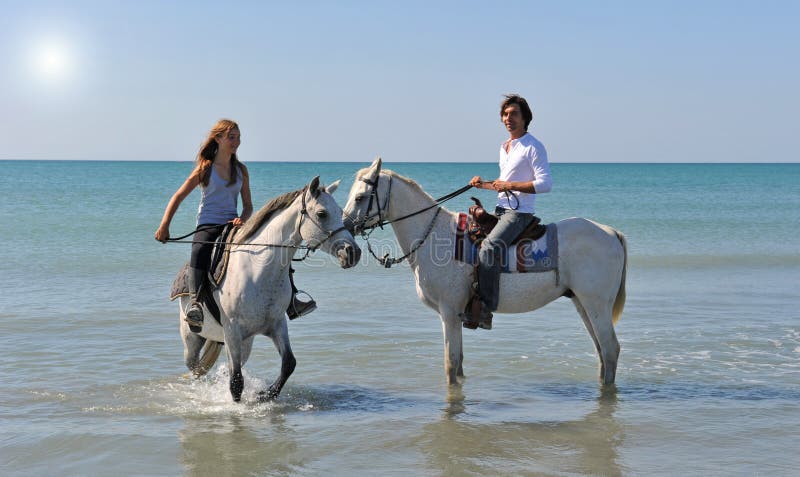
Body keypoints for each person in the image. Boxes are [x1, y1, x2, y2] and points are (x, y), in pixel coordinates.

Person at [155, 119, 315, 331]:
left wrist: (243, 218)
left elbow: (248, 205)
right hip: (208, 223)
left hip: (233, 224)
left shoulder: (241, 170)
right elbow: (178, 196)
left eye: (238, 137)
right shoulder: (206, 168)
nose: (236, 142)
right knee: (200, 249)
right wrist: (164, 225)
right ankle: (195, 303)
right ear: (218, 139)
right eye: (231, 137)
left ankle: (292, 300)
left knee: (274, 248)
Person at [466, 94, 552, 329]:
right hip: (500, 209)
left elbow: (545, 184)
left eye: (513, 114)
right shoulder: (504, 147)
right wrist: (482, 184)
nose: (508, 118)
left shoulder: (533, 146)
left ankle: (486, 307)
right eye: (505, 114)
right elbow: (503, 183)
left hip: (519, 213)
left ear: (525, 118)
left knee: (490, 247)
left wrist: (510, 185)